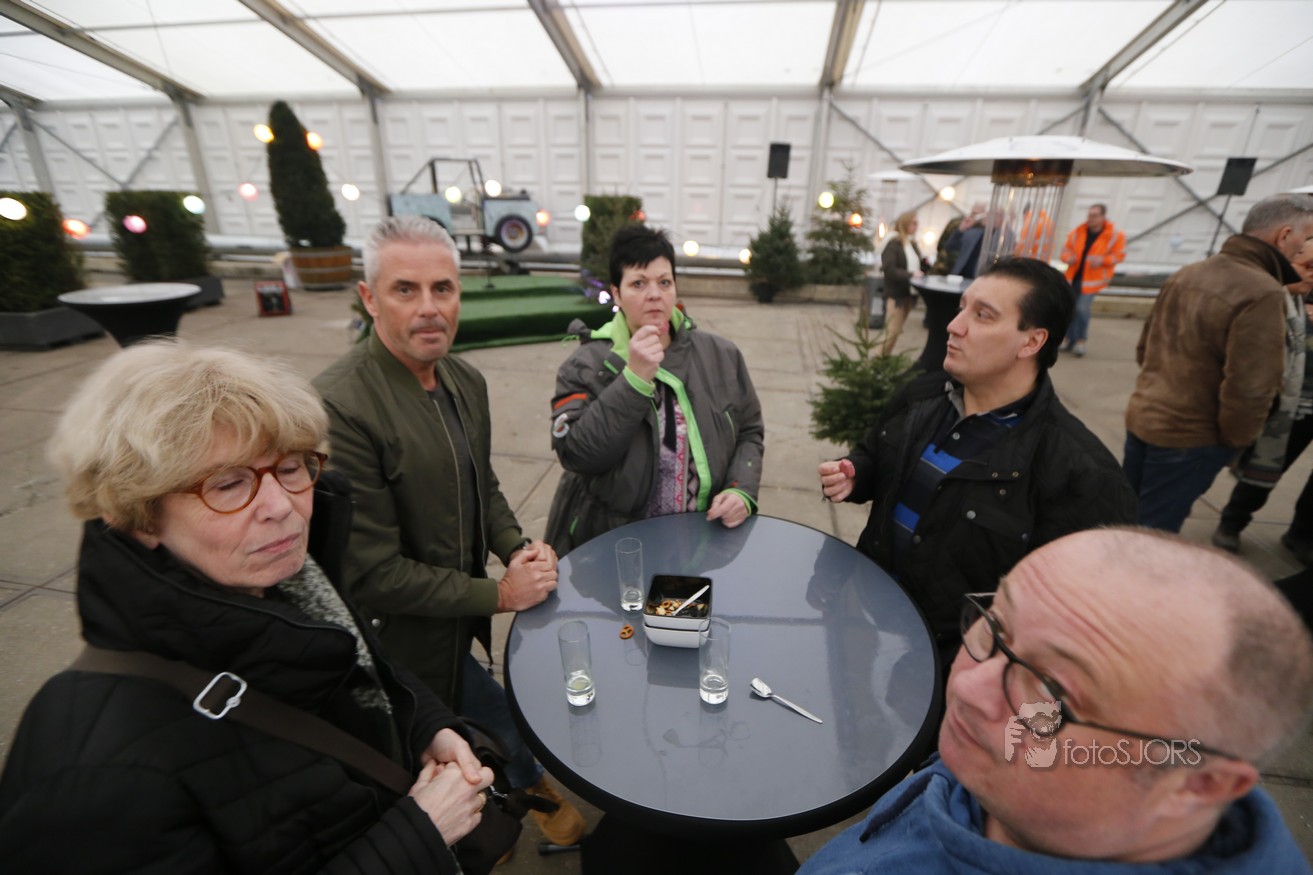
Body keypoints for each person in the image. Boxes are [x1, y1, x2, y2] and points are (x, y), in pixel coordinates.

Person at [0, 341, 495, 872]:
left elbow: (360, 664)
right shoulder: (92, 773)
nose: (282, 507)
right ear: (138, 516)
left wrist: (426, 726)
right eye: (228, 483)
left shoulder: (289, 580)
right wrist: (418, 838)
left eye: (291, 467)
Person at [798, 527, 1313, 874]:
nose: (969, 689)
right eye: (996, 626)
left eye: (1054, 689)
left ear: (1199, 783)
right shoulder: (1005, 773)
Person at [313, 216, 584, 846]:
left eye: (443, 288)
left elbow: (480, 485)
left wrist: (517, 547)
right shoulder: (340, 406)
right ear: (369, 298)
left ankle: (514, 801)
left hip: (453, 628)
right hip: (394, 646)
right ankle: (493, 819)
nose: (430, 308)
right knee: (429, 757)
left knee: (497, 723)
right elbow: (373, 574)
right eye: (405, 289)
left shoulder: (465, 380)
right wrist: (501, 595)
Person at [817, 257, 1136, 665]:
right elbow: (876, 455)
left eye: (983, 315)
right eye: (962, 307)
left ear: (1032, 342)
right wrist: (857, 472)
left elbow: (1070, 623)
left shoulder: (1082, 474)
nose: (954, 326)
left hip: (951, 667)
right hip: (866, 623)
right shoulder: (921, 396)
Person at [545, 224, 764, 554]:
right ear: (616, 293)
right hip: (618, 548)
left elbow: (749, 430)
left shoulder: (721, 355)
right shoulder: (586, 366)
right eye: (638, 283)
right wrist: (633, 379)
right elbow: (577, 454)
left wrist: (740, 488)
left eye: (664, 282)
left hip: (701, 545)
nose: (654, 294)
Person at [1125, 192, 1313, 533]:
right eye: (1307, 237)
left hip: (1144, 418)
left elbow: (1144, 349)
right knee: (1153, 534)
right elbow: (1252, 387)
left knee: (1124, 518)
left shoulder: (1189, 272)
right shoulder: (1263, 291)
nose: (1305, 247)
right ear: (1284, 235)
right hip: (1192, 438)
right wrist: (1234, 441)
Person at [1213, 238, 1313, 560]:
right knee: (1264, 472)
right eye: (1308, 266)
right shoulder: (1276, 301)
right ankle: (1232, 523)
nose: (1312, 274)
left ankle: (1301, 533)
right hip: (1290, 409)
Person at [1059, 203, 1126, 357]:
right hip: (1074, 277)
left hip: (1092, 280)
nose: (1091, 219)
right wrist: (1068, 258)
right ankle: (1068, 339)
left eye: (1095, 216)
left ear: (1103, 217)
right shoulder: (1078, 232)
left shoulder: (1114, 235)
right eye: (1089, 215)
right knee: (1070, 308)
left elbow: (1119, 255)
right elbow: (1065, 251)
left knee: (1082, 309)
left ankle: (1080, 340)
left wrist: (1103, 260)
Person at [880, 210, 928, 357]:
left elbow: (917, 265)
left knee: (896, 331)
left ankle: (884, 358)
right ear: (905, 223)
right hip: (896, 295)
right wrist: (911, 275)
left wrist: (925, 265)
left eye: (917, 223)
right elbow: (889, 269)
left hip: (909, 294)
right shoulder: (893, 243)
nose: (916, 226)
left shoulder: (912, 243)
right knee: (892, 331)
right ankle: (879, 359)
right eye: (914, 223)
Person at [947, 202, 987, 278]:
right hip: (952, 269)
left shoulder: (986, 231)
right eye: (973, 213)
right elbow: (949, 245)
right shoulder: (961, 223)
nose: (975, 216)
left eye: (978, 214)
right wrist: (961, 230)